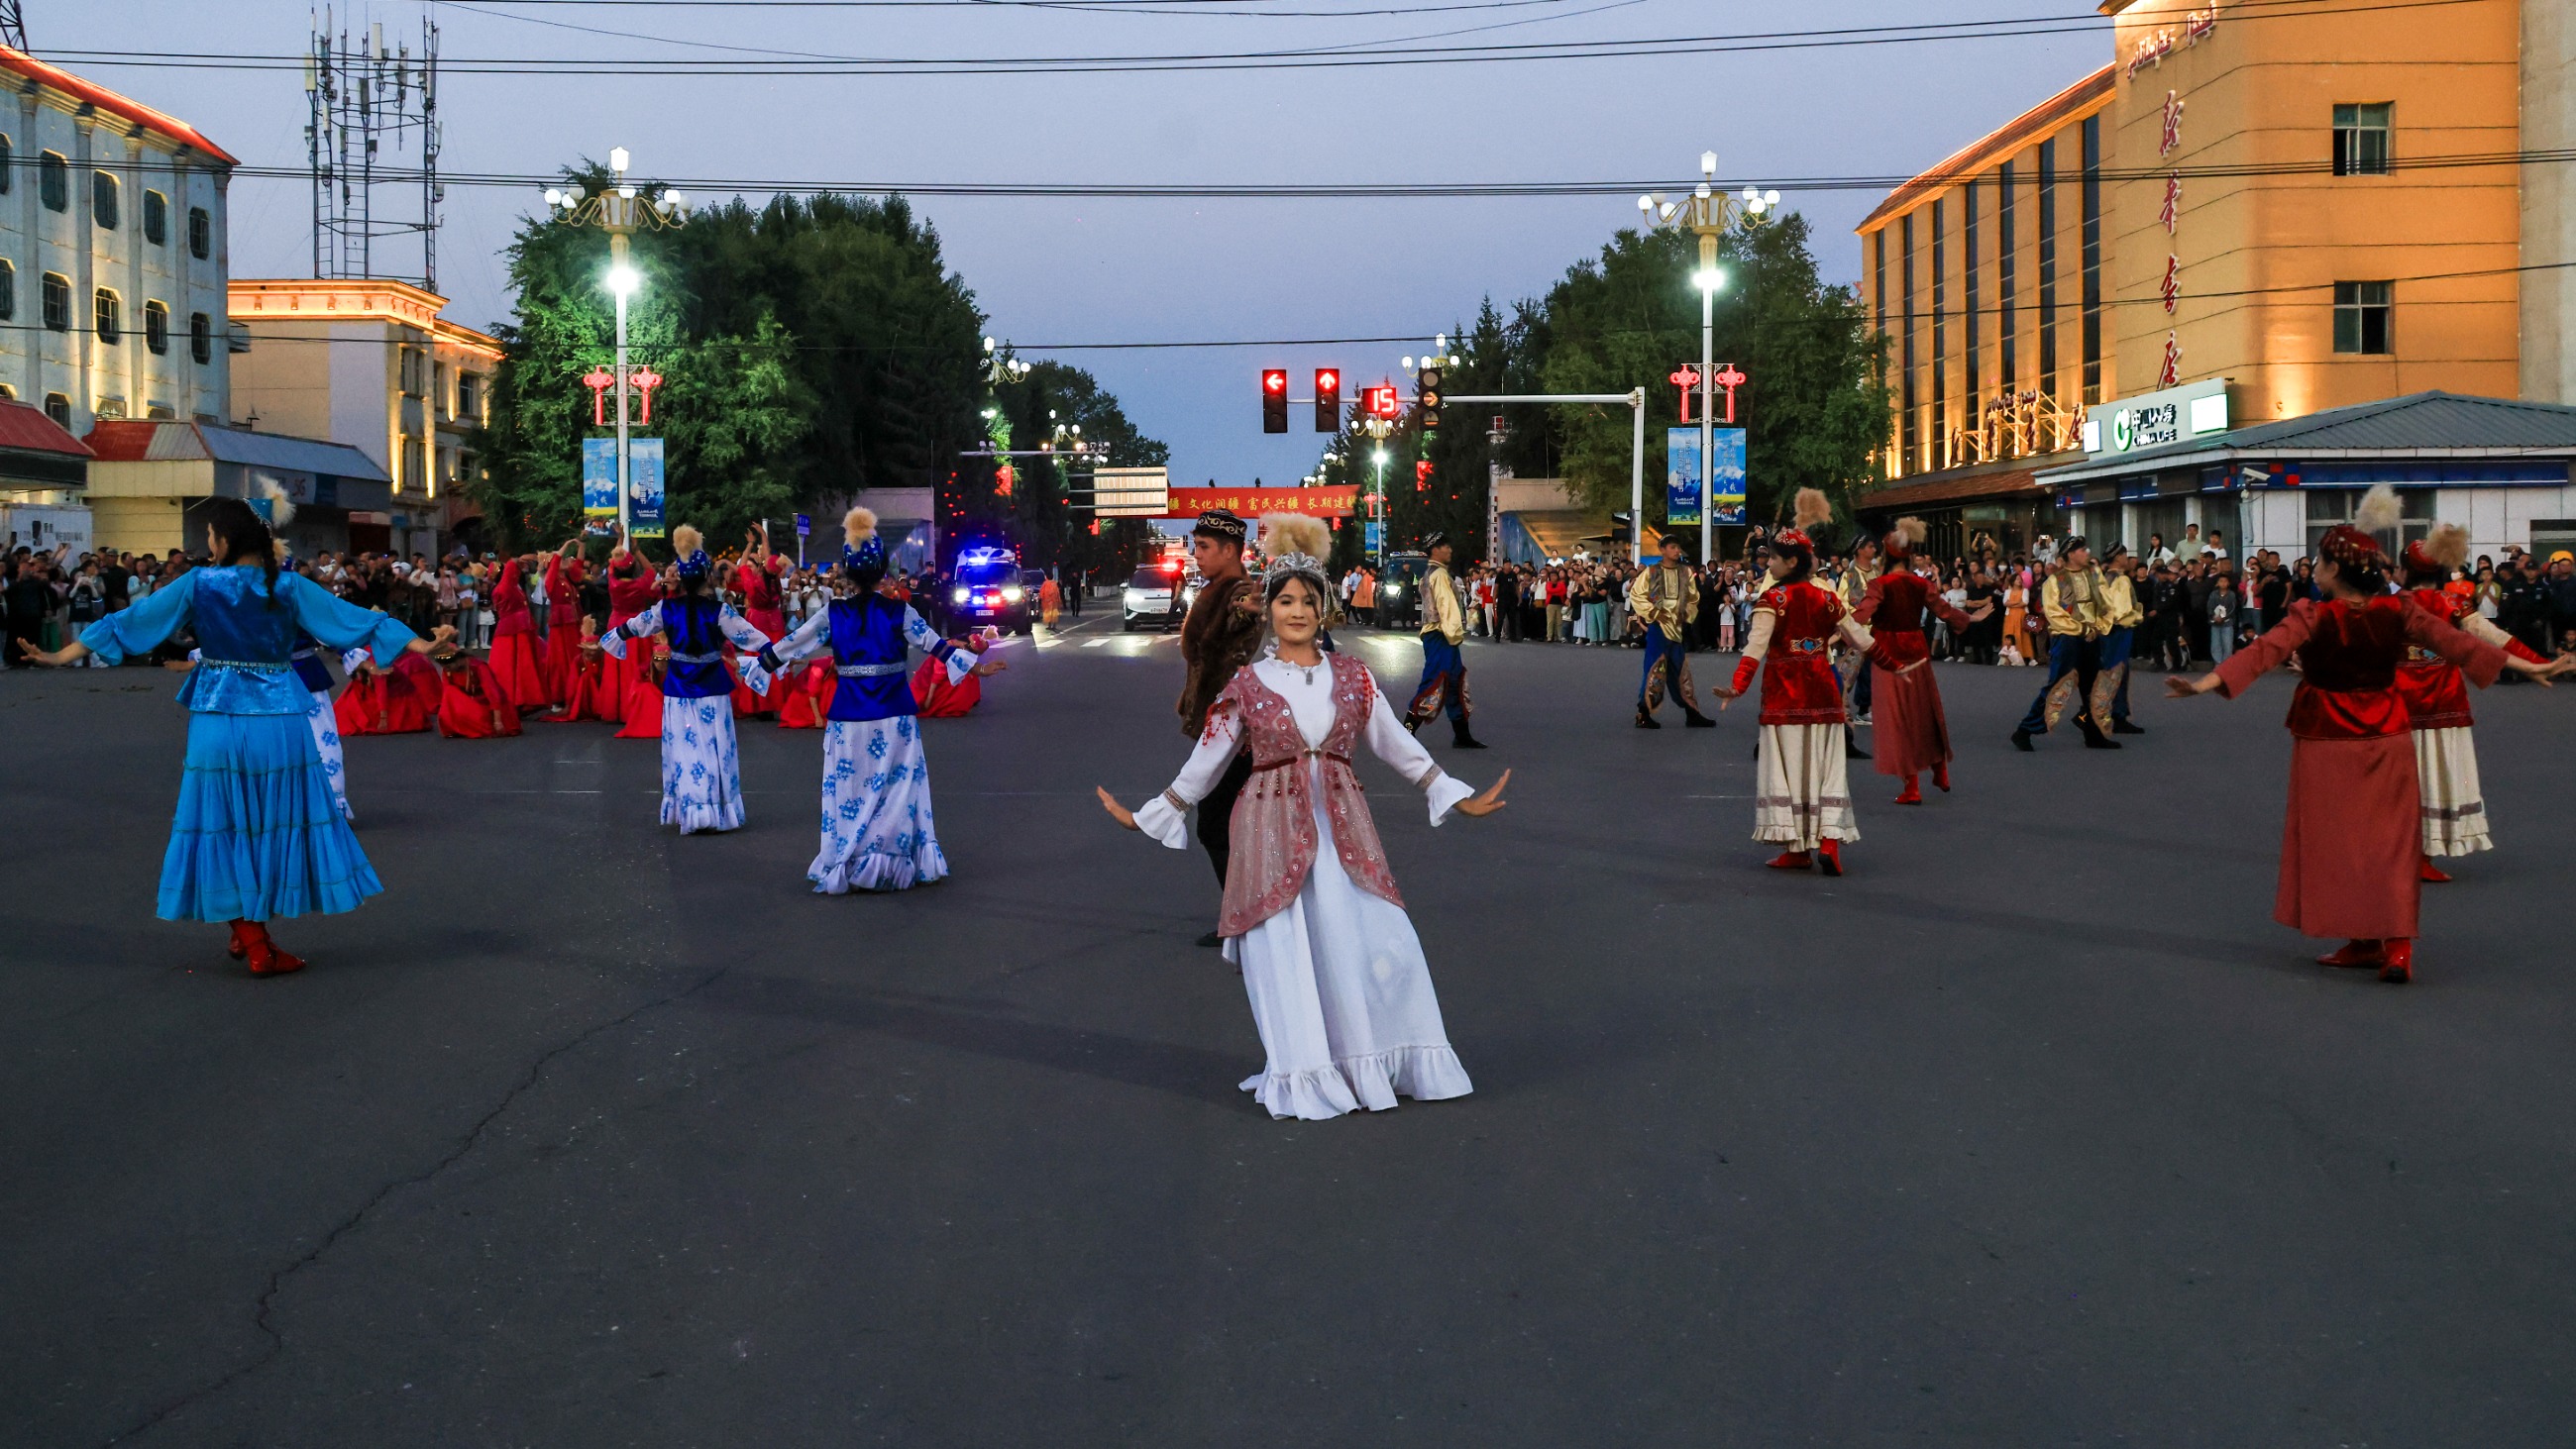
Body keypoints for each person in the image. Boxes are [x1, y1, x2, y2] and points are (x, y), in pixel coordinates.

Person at [1097, 516, 1507, 1120]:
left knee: (1378, 940)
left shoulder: (1354, 676)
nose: (1296, 611)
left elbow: (1396, 743)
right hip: (1268, 832)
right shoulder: (1246, 684)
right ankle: (1304, 1070)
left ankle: (1371, 1060)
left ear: (1325, 609)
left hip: (1344, 831)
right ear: (1268, 609)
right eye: (1285, 600)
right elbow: (1205, 763)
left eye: (1307, 601)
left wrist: (1451, 792)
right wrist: (1151, 815)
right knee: (1286, 955)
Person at [14, 496, 452, 976]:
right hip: (280, 720)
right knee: (273, 823)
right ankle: (251, 932)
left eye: (210, 536)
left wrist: (58, 656)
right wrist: (426, 645)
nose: (207, 544)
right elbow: (357, 621)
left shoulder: (200, 583)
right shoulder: (287, 585)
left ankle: (250, 934)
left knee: (221, 823)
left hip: (218, 719)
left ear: (225, 540)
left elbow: (132, 622)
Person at [2165, 487, 2564, 983]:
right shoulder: (2400, 611)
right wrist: (2528, 665)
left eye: (2319, 561)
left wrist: (2205, 683)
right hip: (2388, 734)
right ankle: (2394, 946)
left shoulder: (2314, 614)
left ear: (2334, 569)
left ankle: (2363, 940)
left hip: (2325, 739)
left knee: (2337, 843)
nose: (2315, 568)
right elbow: (2459, 644)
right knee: (2391, 841)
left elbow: (2263, 651)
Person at [746, 508, 1005, 892]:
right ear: (884, 571)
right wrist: (977, 668)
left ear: (846, 574)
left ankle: (850, 859)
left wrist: (760, 665)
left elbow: (792, 643)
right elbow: (938, 647)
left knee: (850, 789)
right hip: (895, 715)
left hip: (848, 716)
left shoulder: (833, 613)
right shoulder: (900, 611)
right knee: (898, 789)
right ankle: (892, 862)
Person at [1710, 490, 1905, 876]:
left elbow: (1754, 649)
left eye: (1773, 558)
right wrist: (1893, 665)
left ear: (1790, 562)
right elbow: (1859, 638)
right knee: (1827, 767)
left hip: (1784, 695)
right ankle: (1828, 842)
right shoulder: (1825, 596)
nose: (1769, 564)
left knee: (1788, 770)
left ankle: (1796, 848)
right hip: (1823, 691)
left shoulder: (1773, 599)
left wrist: (1738, 686)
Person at [2395, 524, 2552, 880]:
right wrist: (2538, 663)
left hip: (2399, 706)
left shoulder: (2393, 606)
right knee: (2438, 779)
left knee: (2399, 782)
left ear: (2405, 572)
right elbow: (2494, 636)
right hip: (2444, 704)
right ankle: (2422, 853)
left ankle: (2398, 853)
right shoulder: (2452, 603)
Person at [598, 526, 775, 835]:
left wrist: (614, 637)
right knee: (716, 747)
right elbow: (752, 637)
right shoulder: (720, 611)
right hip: (713, 688)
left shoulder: (666, 609)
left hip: (678, 689)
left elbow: (635, 625)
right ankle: (717, 809)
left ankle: (691, 808)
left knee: (684, 748)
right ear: (707, 576)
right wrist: (777, 656)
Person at [1174, 508, 1267, 947]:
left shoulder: (1238, 592)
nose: (1196, 554)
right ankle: (1249, 916)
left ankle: (1245, 920)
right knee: (1226, 824)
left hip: (1235, 732)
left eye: (1204, 547)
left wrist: (1247, 612)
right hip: (1219, 728)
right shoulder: (1214, 589)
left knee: (1214, 825)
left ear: (1230, 551)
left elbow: (1240, 619)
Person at [1854, 518, 1986, 804]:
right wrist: (1971, 618)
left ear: (1886, 555)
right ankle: (1940, 770)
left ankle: (1912, 787)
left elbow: (1862, 615)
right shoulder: (1921, 583)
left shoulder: (1879, 584)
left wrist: (1836, 625)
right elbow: (1945, 611)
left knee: (1897, 720)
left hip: (1888, 655)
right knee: (1925, 712)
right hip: (1917, 650)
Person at [2011, 538, 2119, 751]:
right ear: (2071, 554)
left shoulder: (2094, 574)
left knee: (2094, 686)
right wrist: (2082, 629)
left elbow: (2106, 603)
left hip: (2092, 637)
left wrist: (2099, 627)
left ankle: (2094, 734)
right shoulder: (2055, 581)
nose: (2087, 553)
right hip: (2068, 638)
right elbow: (2053, 613)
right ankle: (2024, 730)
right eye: (2082, 550)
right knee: (2058, 686)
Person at [1404, 533, 1485, 748]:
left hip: (1438, 634)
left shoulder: (1430, 572)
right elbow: (1446, 606)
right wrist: (1455, 634)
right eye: (1445, 546)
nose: (1449, 549)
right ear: (1434, 550)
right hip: (1440, 635)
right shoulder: (1439, 573)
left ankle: (1462, 734)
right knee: (1435, 680)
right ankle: (1406, 732)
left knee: (1454, 681)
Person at [1630, 533, 1713, 728]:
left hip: (1676, 626)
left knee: (1680, 670)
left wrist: (1686, 614)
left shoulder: (1685, 572)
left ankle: (1691, 712)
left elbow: (1693, 598)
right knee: (1654, 669)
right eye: (1672, 547)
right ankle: (1643, 713)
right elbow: (1636, 594)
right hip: (1658, 627)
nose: (1677, 551)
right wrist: (1654, 613)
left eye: (1678, 547)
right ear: (1662, 550)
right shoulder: (1651, 571)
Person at [2096, 545, 2147, 735]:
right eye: (2125, 554)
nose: (2127, 558)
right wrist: (2138, 616)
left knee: (2108, 670)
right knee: (2119, 672)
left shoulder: (2104, 578)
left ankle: (2102, 713)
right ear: (2118, 557)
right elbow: (2122, 612)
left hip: (2105, 630)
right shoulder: (2122, 580)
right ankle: (2116, 715)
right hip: (2119, 630)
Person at [541, 540, 588, 707]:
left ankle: (576, 690)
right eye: (561, 559)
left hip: (572, 622)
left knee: (575, 655)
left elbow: (579, 564)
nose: (566, 559)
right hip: (561, 624)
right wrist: (566, 545)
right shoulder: (551, 580)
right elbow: (555, 563)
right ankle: (560, 694)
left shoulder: (567, 577)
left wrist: (581, 546)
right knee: (560, 659)